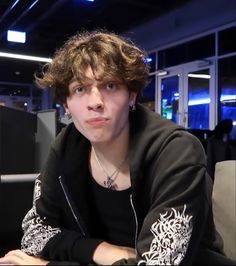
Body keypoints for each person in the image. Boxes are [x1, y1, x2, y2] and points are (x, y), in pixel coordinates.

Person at [0, 30, 233, 265]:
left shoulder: (176, 151)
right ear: (66, 104)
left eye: (110, 86)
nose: (95, 102)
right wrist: (103, 251)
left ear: (131, 95)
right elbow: (34, 233)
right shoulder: (66, 146)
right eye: (80, 89)